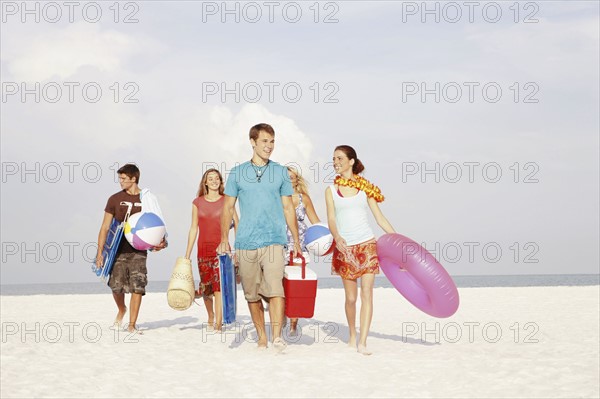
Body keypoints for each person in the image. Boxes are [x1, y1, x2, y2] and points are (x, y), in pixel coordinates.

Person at [217, 123, 301, 352]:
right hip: (245, 241)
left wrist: (296, 240)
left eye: (272, 141)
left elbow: (288, 208)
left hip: (274, 239)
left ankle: (277, 337)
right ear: (253, 142)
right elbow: (227, 208)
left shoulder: (280, 172)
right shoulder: (237, 173)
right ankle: (262, 337)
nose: (269, 146)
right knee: (252, 294)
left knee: (276, 289)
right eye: (264, 141)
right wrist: (225, 238)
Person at [325, 145, 395, 355]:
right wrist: (337, 237)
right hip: (345, 248)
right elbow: (331, 218)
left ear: (351, 161)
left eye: (339, 158)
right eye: (334, 159)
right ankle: (352, 335)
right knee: (351, 299)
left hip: (367, 245)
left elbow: (379, 218)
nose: (335, 162)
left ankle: (362, 341)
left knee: (367, 294)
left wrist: (397, 239)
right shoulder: (330, 190)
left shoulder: (365, 188)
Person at [96, 164, 167, 334]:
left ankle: (132, 324)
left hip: (138, 249)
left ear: (133, 178)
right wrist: (100, 253)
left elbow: (156, 222)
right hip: (117, 249)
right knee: (116, 287)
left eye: (123, 178)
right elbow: (105, 227)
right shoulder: (114, 199)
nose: (120, 181)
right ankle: (122, 309)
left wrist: (160, 241)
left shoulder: (147, 199)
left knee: (138, 286)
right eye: (119, 178)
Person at [185, 168, 238, 332]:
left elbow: (237, 223)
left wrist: (237, 249)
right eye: (210, 178)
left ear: (220, 182)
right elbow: (193, 228)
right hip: (202, 250)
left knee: (219, 287)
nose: (214, 181)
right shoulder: (197, 202)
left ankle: (218, 323)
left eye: (217, 178)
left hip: (221, 251)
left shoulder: (227, 201)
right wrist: (187, 254)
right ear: (205, 182)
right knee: (207, 287)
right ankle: (210, 316)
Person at [285, 166, 321, 335]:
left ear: (296, 180)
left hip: (299, 244)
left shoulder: (303, 198)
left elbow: (315, 221)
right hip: (280, 244)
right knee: (279, 282)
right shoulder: (276, 197)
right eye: (286, 177)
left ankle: (293, 322)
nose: (289, 179)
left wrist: (326, 237)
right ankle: (282, 313)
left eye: (292, 177)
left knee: (296, 282)